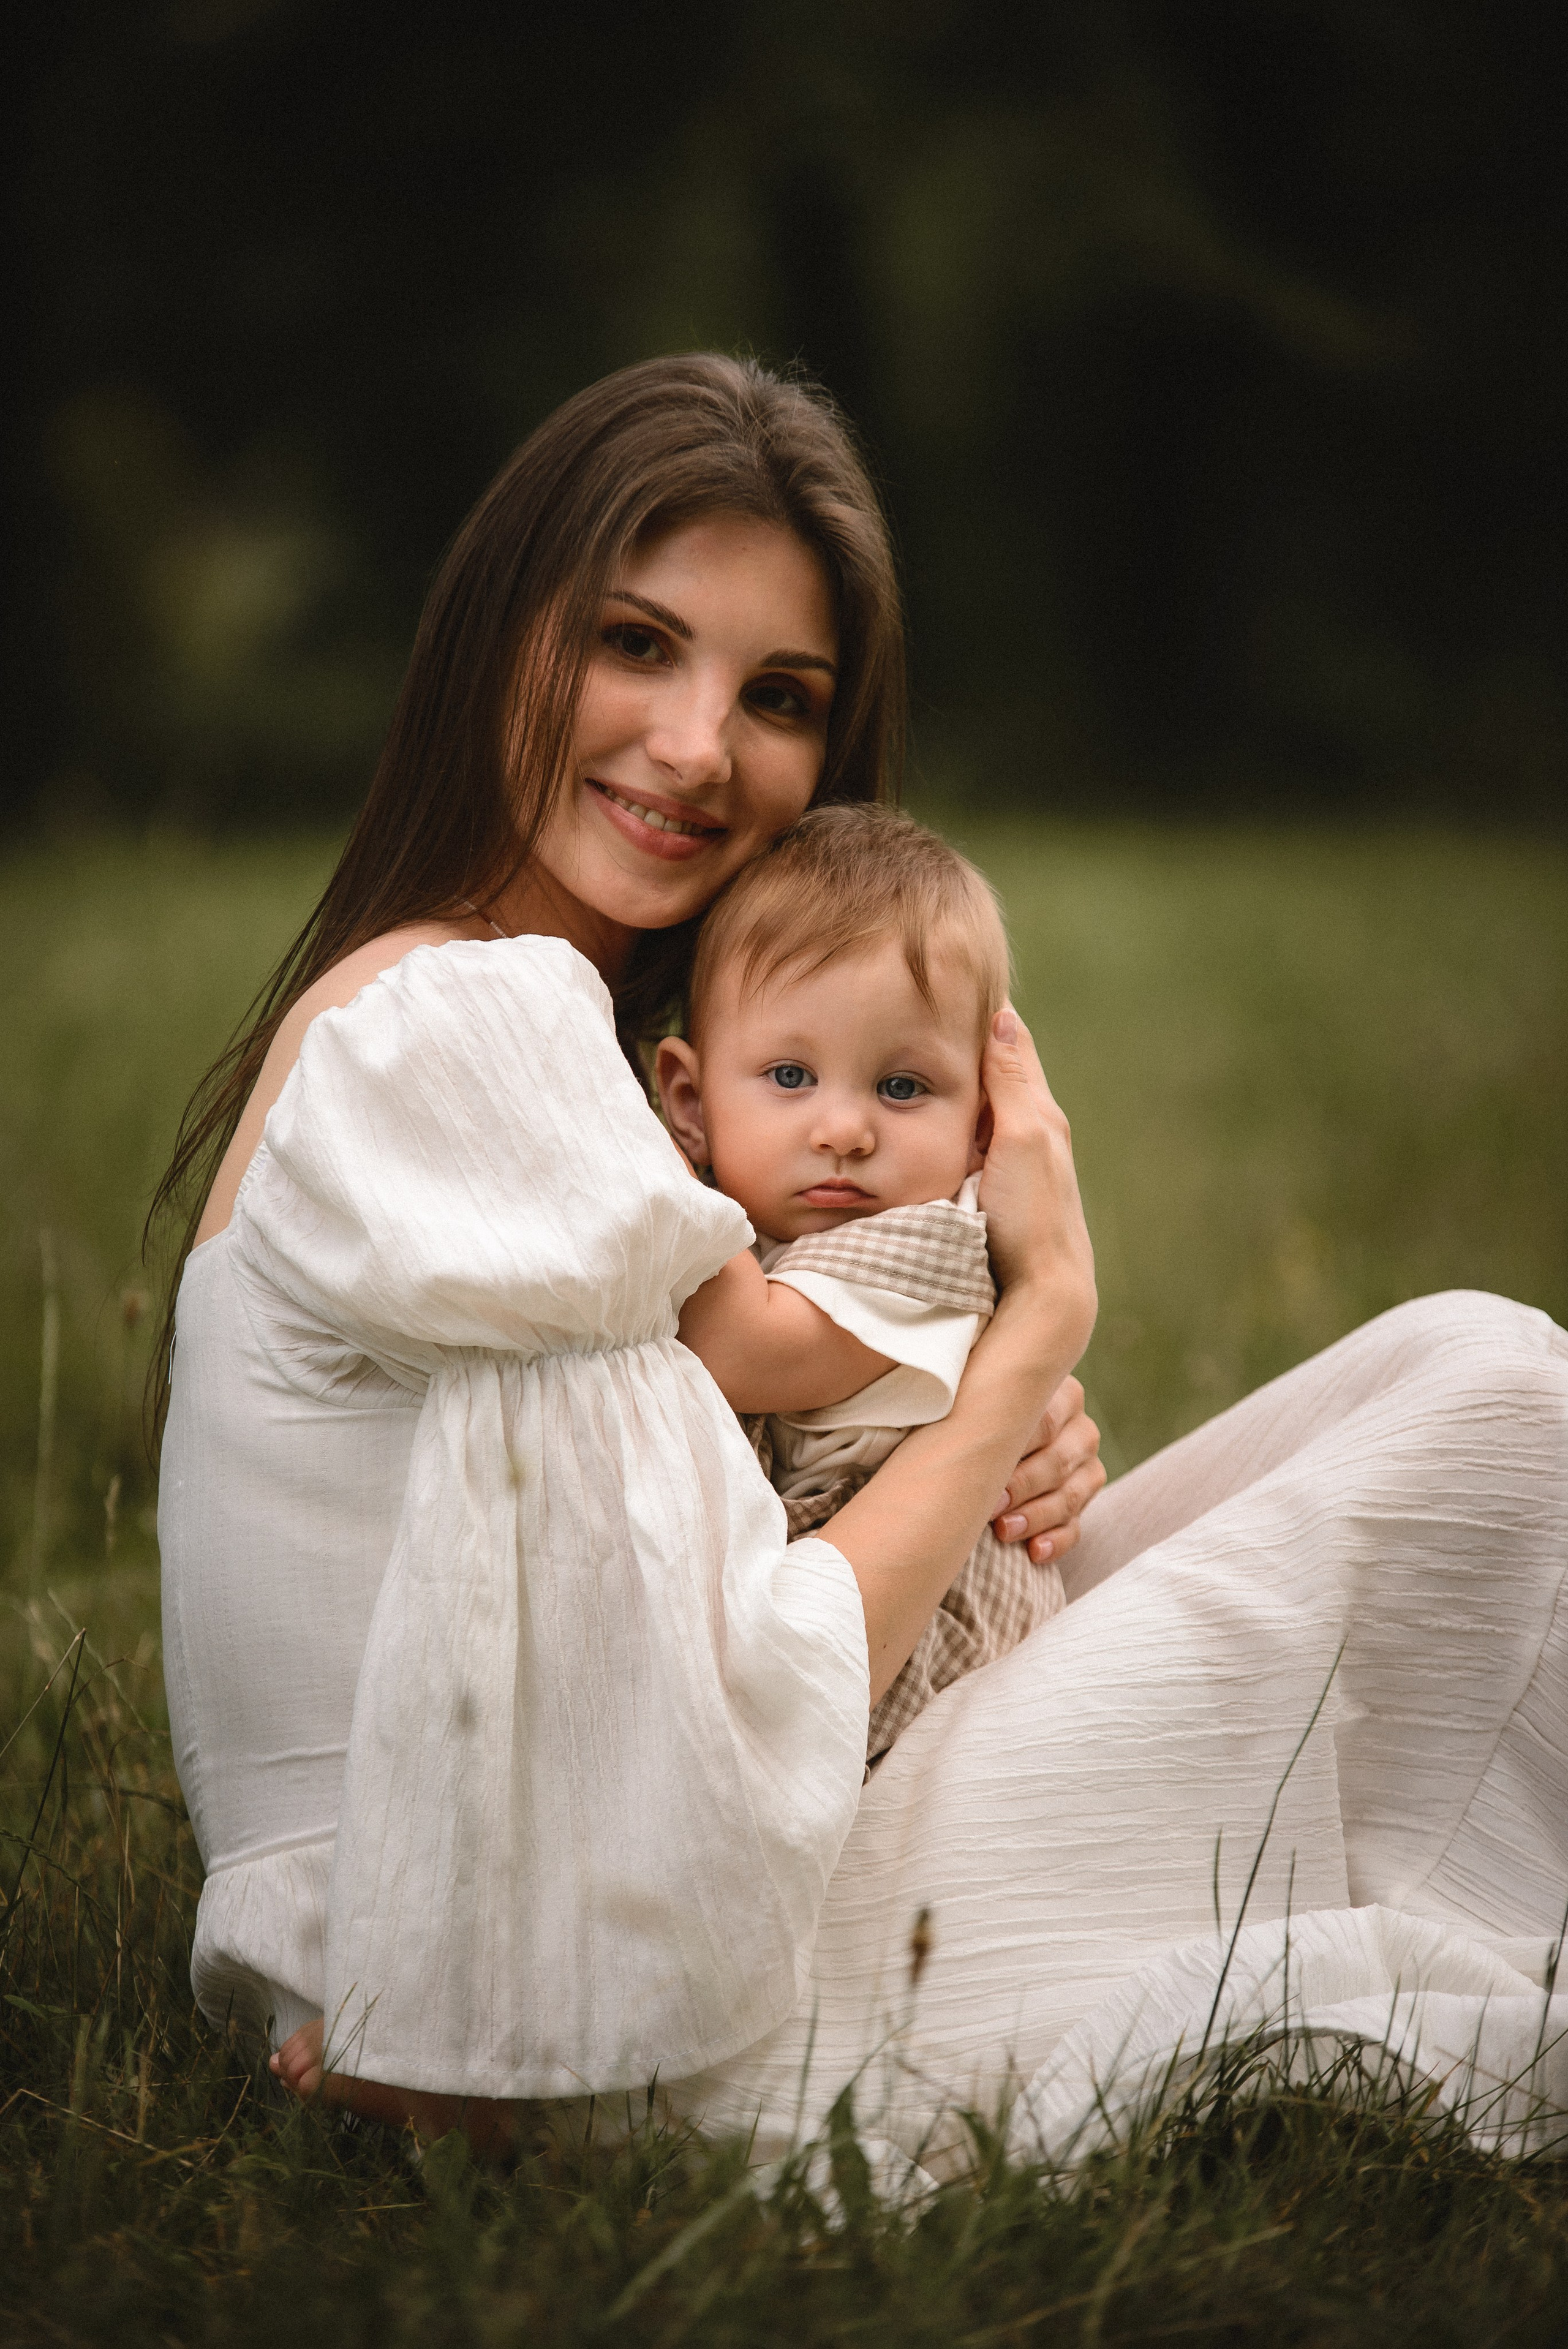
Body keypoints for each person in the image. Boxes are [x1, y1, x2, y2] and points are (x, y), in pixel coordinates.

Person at [154, 353, 1568, 2164]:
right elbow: (734, 1702)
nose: (698, 746)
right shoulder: (455, 1017)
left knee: (1460, 1362)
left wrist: (978, 1440)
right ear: (498, 634)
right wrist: (1024, 1335)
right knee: (1498, 1420)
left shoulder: (541, 1036)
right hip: (581, 1972)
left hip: (624, 1878)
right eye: (636, 644)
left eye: (779, 696)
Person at [655, 802, 1063, 1765]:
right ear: (692, 1101)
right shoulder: (774, 1242)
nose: (844, 1131)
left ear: (982, 1126)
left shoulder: (928, 1248)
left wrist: (642, 1157)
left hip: (943, 1674)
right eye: (791, 1076)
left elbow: (740, 1347)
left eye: (901, 1087)